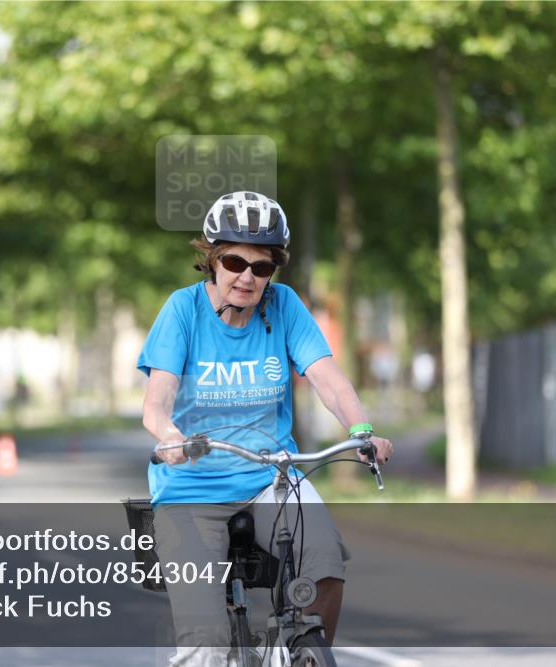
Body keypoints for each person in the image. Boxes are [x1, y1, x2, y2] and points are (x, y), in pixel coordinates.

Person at [138, 191, 393, 666]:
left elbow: (328, 378)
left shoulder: (284, 306)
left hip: (271, 479)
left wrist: (360, 428)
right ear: (212, 259)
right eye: (235, 262)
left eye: (262, 267)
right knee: (205, 642)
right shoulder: (182, 310)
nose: (247, 277)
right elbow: (157, 404)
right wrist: (170, 436)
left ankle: (299, 654)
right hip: (192, 488)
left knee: (325, 566)